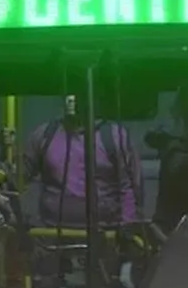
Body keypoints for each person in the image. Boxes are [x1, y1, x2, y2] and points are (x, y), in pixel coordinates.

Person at [24, 94, 143, 228]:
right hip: (53, 233)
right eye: (68, 94)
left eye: (78, 93)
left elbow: (129, 187)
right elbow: (20, 176)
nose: (72, 99)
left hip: (105, 233)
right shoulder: (45, 134)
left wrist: (128, 226)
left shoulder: (114, 136)